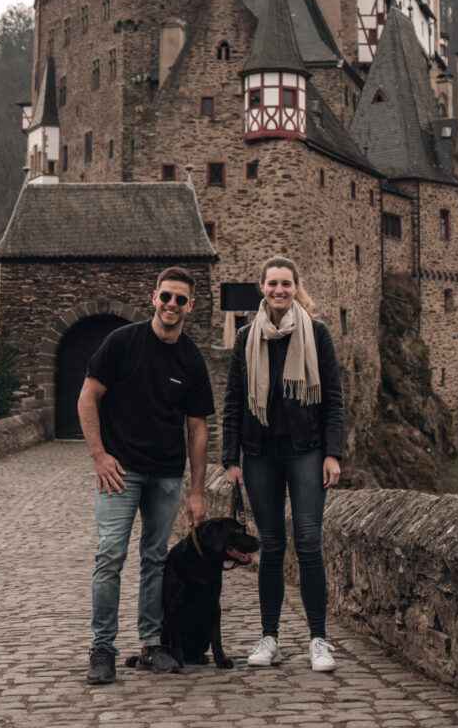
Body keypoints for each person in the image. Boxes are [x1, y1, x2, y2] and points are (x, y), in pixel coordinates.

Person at [78, 267, 215, 684]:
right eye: (166, 297)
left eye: (180, 299)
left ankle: (152, 644)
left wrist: (197, 493)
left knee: (155, 560)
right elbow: (87, 397)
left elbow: (198, 428)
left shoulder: (191, 358)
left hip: (167, 475)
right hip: (120, 473)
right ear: (153, 297)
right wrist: (99, 456)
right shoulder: (121, 342)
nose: (172, 305)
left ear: (190, 305)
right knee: (110, 557)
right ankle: (102, 649)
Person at [222, 256, 343, 672]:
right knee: (271, 546)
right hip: (259, 453)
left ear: (296, 287)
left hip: (305, 448)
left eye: (286, 284)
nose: (279, 290)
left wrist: (333, 453)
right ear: (262, 287)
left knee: (309, 542)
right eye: (272, 283)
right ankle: (269, 637)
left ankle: (318, 640)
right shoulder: (245, 338)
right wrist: (230, 458)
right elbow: (235, 401)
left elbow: (332, 399)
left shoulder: (317, 333)